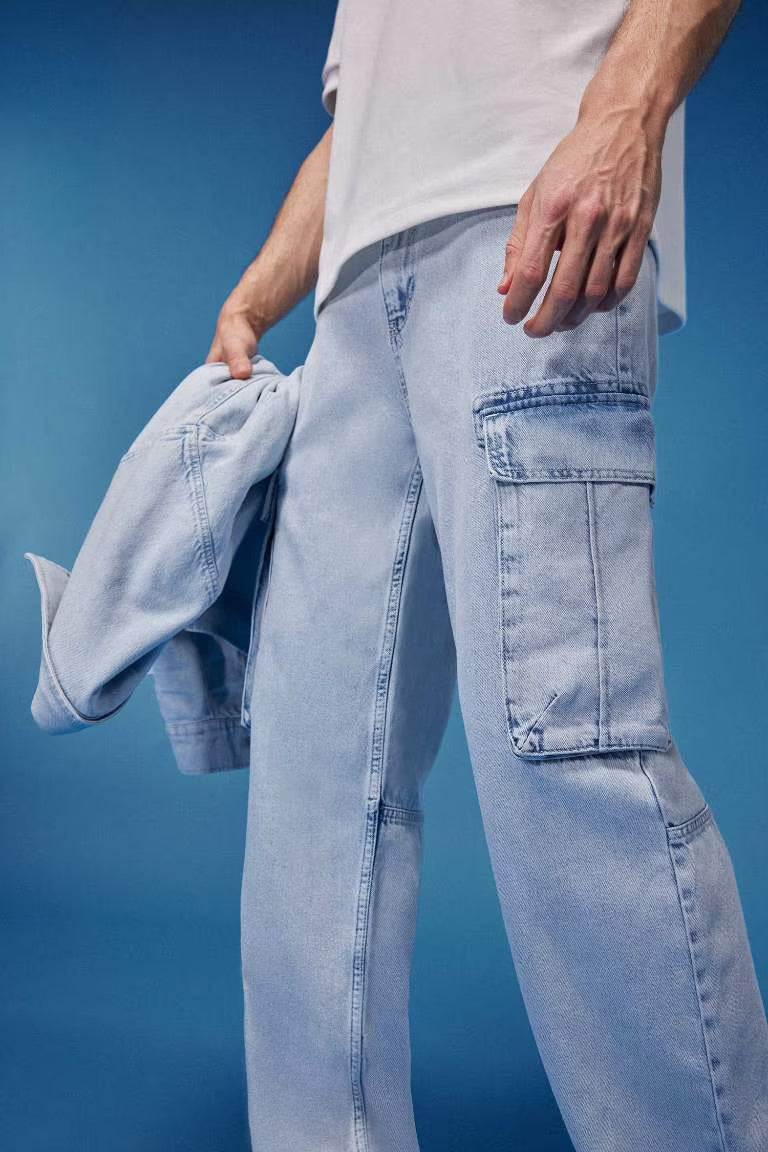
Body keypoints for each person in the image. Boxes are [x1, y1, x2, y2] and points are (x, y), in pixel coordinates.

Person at [208, 2, 768, 1149]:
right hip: (356, 298)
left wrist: (625, 114)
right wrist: (262, 289)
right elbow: (366, 119)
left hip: (536, 223)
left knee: (566, 748)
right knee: (313, 789)